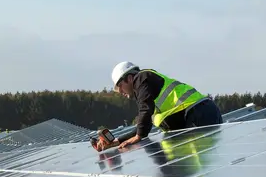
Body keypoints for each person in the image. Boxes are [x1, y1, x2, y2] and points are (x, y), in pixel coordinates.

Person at [94, 61, 223, 151]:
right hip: (201, 114)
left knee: (204, 162)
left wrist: (139, 136)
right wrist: (118, 140)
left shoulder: (141, 78)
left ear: (128, 78)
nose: (121, 92)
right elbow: (143, 125)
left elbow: (144, 112)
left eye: (120, 86)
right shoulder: (148, 91)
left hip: (198, 113)